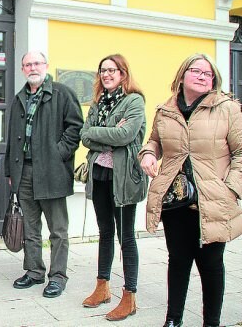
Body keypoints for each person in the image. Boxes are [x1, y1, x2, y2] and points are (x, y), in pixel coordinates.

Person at [139, 53, 242, 327]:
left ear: (213, 80)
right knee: (179, 260)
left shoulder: (227, 108)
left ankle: (212, 323)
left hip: (213, 199)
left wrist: (230, 189)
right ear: (182, 75)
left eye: (207, 74)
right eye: (196, 71)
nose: (202, 76)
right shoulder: (165, 110)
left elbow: (241, 153)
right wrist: (149, 154)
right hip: (176, 199)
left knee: (211, 264)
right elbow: (154, 141)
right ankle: (173, 320)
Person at [5, 51, 83, 298]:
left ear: (46, 65)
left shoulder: (61, 93)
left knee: (58, 229)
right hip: (24, 171)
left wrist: (58, 153)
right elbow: (12, 138)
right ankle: (34, 271)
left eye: (36, 63)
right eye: (27, 64)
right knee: (30, 227)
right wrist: (10, 170)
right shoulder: (19, 98)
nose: (32, 67)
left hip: (52, 171)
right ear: (22, 69)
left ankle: (58, 276)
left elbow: (75, 128)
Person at [80, 54, 148, 321]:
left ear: (123, 73)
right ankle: (102, 288)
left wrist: (102, 133)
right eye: (102, 71)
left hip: (123, 178)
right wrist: (109, 136)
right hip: (99, 175)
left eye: (111, 70)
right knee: (105, 232)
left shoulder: (134, 101)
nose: (106, 74)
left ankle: (129, 296)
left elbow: (126, 135)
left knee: (126, 237)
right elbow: (85, 135)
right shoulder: (98, 102)